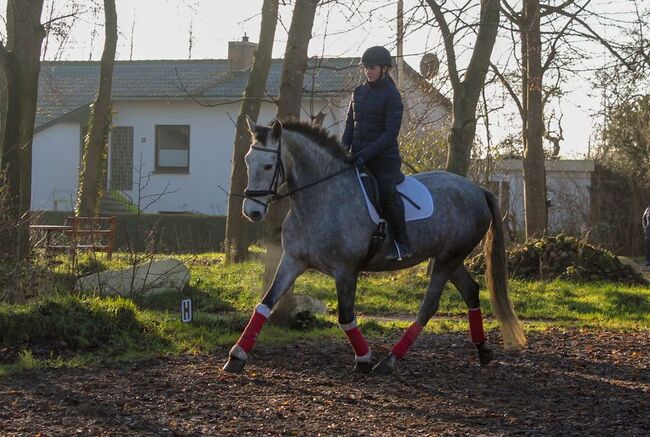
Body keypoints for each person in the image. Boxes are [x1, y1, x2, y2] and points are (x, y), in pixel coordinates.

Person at [341, 46, 411, 261]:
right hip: (357, 156)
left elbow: (389, 135)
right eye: (366, 68)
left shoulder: (392, 96)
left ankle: (402, 243)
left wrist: (364, 155)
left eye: (372, 68)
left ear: (384, 69)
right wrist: (342, 151)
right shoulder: (358, 92)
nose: (368, 71)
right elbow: (349, 127)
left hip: (383, 159)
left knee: (386, 192)